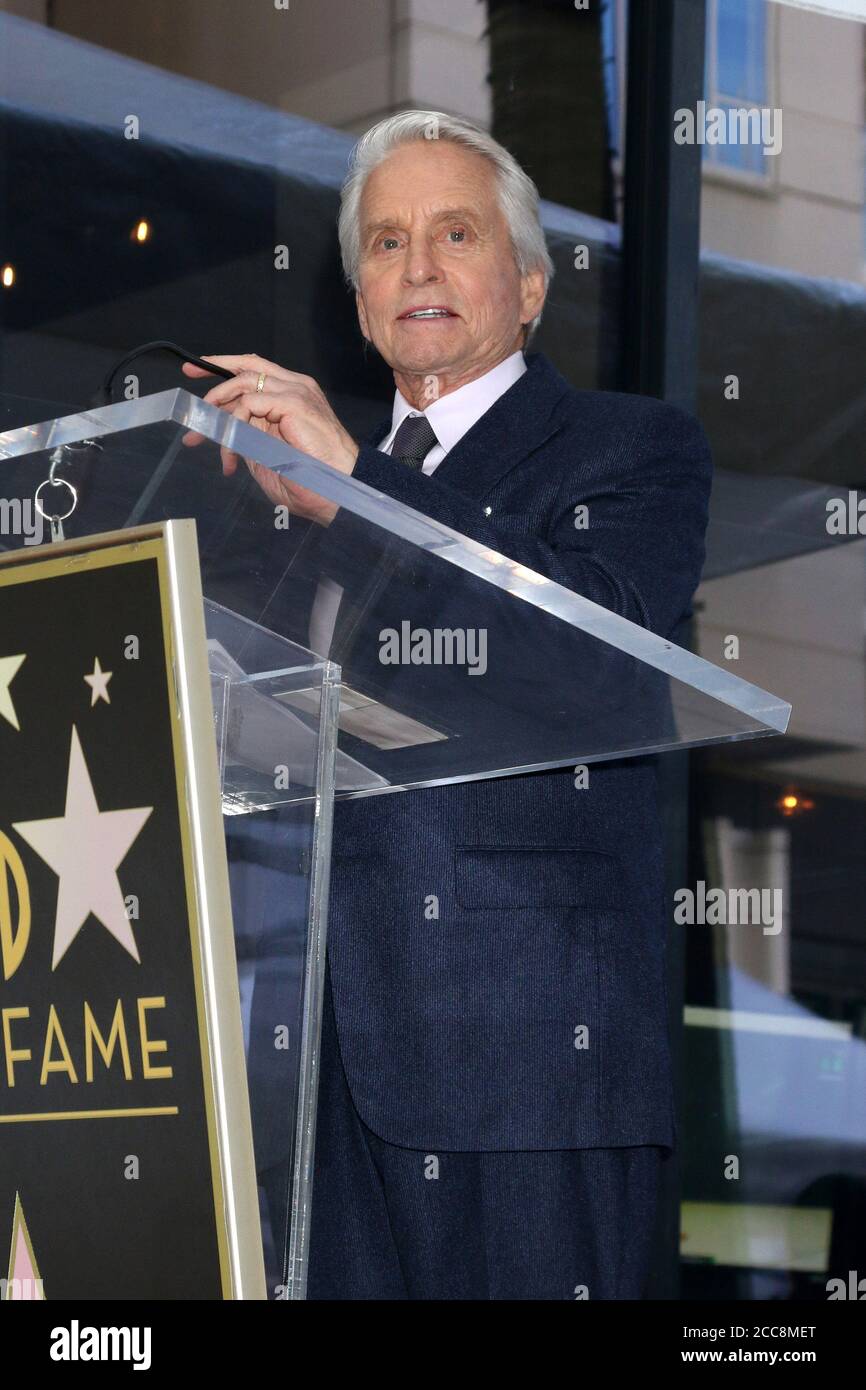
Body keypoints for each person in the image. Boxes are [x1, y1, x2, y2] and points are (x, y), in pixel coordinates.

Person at [183, 109, 712, 1300]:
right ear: (363, 304)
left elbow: (598, 659)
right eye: (382, 243)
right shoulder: (285, 503)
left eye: (453, 233)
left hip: (526, 1082)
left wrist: (357, 487)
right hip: (307, 1092)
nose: (414, 266)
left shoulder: (629, 450)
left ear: (526, 286)